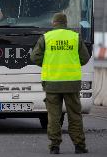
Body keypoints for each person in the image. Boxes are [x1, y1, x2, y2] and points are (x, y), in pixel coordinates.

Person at [30, 13, 90, 154]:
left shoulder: (46, 37)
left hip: (52, 83)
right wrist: (72, 64)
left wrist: (48, 65)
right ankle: (79, 146)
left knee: (54, 116)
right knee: (75, 115)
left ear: (54, 23)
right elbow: (85, 58)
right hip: (71, 83)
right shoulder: (75, 37)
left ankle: (54, 146)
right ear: (66, 23)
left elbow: (34, 57)